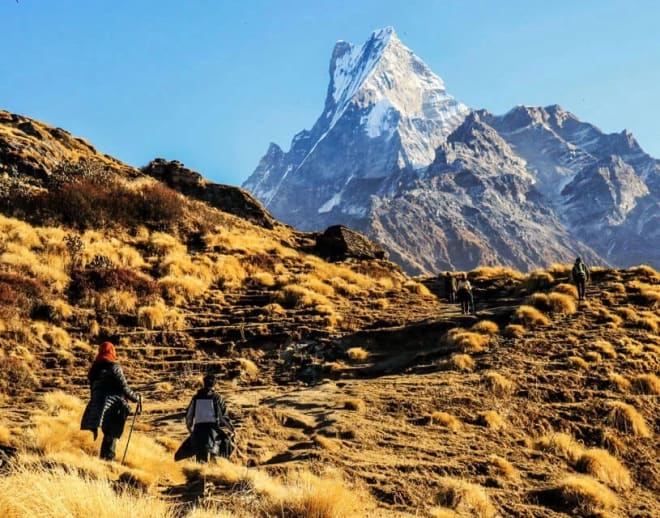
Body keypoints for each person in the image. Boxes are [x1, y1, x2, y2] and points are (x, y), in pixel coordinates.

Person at [81, 341, 141, 461]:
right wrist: (137, 398)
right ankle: (108, 462)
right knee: (112, 434)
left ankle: (104, 461)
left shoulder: (94, 371)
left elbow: (93, 392)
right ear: (112, 352)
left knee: (107, 434)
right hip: (114, 406)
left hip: (99, 408)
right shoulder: (114, 367)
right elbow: (124, 388)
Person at [175, 373, 234, 463]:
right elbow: (223, 418)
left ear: (204, 383)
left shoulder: (196, 398)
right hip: (213, 431)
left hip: (198, 431)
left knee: (200, 461)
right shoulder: (217, 397)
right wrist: (232, 429)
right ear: (215, 384)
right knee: (216, 457)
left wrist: (191, 430)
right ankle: (213, 474)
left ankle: (201, 475)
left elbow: (189, 417)